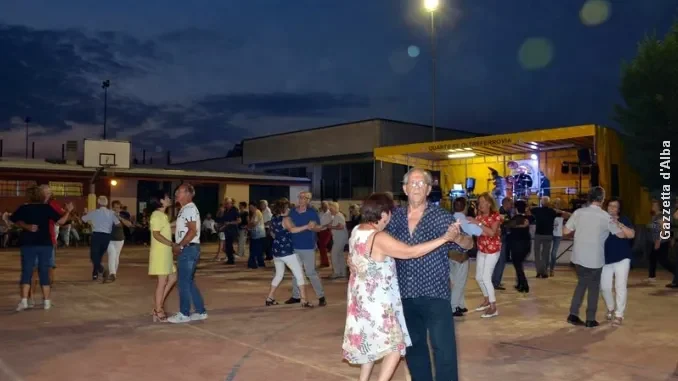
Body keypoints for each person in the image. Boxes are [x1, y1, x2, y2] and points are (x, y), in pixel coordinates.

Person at [343, 192, 461, 381]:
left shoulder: (357, 230)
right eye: (389, 213)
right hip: (379, 303)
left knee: (369, 343)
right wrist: (444, 239)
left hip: (360, 299)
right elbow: (411, 252)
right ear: (383, 215)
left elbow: (355, 257)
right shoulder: (378, 237)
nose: (390, 218)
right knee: (396, 346)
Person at [384, 168, 473, 381]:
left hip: (435, 292)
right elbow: (379, 243)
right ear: (404, 189)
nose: (416, 187)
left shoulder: (441, 216)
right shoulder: (394, 218)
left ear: (428, 189)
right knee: (414, 349)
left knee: (444, 348)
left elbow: (468, 244)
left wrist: (456, 238)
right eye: (412, 183)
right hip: (404, 292)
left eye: (421, 183)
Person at [563, 186, 630, 328]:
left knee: (581, 284)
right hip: (595, 258)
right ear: (602, 199)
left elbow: (565, 231)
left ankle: (573, 314)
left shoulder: (578, 212)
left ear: (589, 197)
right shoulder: (605, 217)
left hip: (578, 257)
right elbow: (621, 235)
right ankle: (590, 319)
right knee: (593, 287)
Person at [12, 186, 73, 311]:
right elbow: (61, 221)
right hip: (45, 244)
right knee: (43, 271)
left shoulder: (24, 207)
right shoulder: (47, 208)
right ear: (42, 195)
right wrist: (68, 211)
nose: (49, 194)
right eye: (47, 192)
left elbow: (14, 219)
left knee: (27, 271)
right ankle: (46, 302)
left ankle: (25, 301)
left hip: (29, 244)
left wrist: (26, 226)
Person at [168, 183, 207, 324]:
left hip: (188, 249)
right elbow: (181, 229)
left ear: (188, 194)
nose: (176, 194)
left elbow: (192, 231)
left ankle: (184, 313)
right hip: (190, 248)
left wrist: (180, 245)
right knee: (189, 281)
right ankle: (201, 311)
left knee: (183, 282)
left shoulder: (189, 209)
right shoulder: (185, 209)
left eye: (179, 191)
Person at [265, 198, 314, 307]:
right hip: (287, 251)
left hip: (276, 250)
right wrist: (307, 226)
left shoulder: (273, 218)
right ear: (284, 208)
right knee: (299, 274)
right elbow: (293, 230)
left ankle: (269, 298)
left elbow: (272, 233)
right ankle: (304, 300)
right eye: (288, 207)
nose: (289, 209)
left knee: (279, 275)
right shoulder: (286, 219)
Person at [284, 192, 327, 306]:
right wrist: (306, 227)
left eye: (304, 198)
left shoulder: (312, 212)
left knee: (310, 272)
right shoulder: (293, 211)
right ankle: (296, 295)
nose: (301, 199)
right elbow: (290, 226)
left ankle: (321, 296)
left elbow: (318, 228)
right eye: (300, 197)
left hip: (308, 247)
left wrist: (314, 227)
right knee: (295, 272)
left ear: (308, 200)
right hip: (294, 246)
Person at [466, 192, 503, 318]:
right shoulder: (479, 216)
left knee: (486, 278)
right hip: (482, 249)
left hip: (493, 250)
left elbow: (492, 233)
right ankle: (487, 300)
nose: (480, 205)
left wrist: (478, 224)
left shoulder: (495, 216)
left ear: (489, 203)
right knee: (478, 277)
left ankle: (494, 307)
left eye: (482, 202)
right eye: (479, 202)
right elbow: (478, 232)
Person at [600, 198, 635, 325]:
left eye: (615, 206)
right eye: (610, 206)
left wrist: (618, 223)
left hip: (622, 257)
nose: (612, 208)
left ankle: (619, 314)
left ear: (619, 209)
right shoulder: (602, 220)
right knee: (605, 287)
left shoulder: (624, 219)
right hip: (605, 258)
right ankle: (610, 307)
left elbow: (631, 234)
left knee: (620, 286)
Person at [148, 190, 178, 322]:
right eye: (166, 197)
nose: (169, 199)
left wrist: (179, 223)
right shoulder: (156, 215)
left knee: (172, 278)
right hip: (160, 252)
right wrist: (172, 244)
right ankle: (158, 310)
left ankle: (157, 306)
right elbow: (156, 234)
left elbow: (166, 229)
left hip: (166, 252)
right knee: (162, 282)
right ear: (160, 201)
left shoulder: (163, 216)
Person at [449, 197, 482, 317]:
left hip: (449, 254)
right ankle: (453, 307)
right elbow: (479, 232)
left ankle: (460, 304)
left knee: (455, 281)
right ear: (465, 207)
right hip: (461, 255)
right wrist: (477, 221)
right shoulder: (465, 220)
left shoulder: (449, 218)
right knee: (460, 282)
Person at [81, 196, 121, 281]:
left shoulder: (94, 212)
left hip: (96, 236)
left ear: (98, 203)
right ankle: (95, 273)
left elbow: (83, 219)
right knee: (99, 256)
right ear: (106, 204)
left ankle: (101, 270)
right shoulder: (111, 213)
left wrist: (84, 213)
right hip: (107, 237)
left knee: (94, 256)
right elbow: (118, 224)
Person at [531, 196, 570, 279]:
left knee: (537, 254)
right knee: (545, 254)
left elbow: (528, 210)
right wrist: (559, 211)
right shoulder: (552, 211)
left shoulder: (537, 210)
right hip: (548, 235)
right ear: (549, 203)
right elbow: (567, 214)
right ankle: (544, 272)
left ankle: (539, 272)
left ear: (541, 202)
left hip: (539, 234)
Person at [505, 200, 532, 293]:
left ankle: (524, 285)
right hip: (526, 244)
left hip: (517, 245)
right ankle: (520, 284)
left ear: (516, 208)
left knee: (518, 266)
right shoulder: (527, 218)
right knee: (519, 265)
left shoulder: (516, 219)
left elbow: (507, 226)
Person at [106, 200, 133, 282]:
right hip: (109, 239)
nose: (116, 209)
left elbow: (129, 224)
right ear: (112, 207)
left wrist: (120, 218)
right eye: (115, 207)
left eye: (118, 207)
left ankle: (114, 274)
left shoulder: (123, 215)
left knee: (116, 256)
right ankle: (112, 273)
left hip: (119, 239)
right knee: (112, 254)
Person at [327, 202, 349, 279]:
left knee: (334, 255)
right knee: (340, 255)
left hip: (340, 239)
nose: (330, 210)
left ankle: (336, 272)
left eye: (331, 208)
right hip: (339, 238)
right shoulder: (337, 216)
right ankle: (342, 272)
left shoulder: (339, 216)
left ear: (335, 208)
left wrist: (331, 227)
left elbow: (341, 227)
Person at [247, 202, 266, 269]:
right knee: (257, 250)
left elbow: (254, 223)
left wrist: (248, 226)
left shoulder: (257, 213)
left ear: (255, 206)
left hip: (258, 234)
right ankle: (259, 263)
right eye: (249, 208)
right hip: (256, 234)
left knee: (255, 249)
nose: (250, 209)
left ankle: (253, 264)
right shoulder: (255, 213)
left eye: (251, 207)